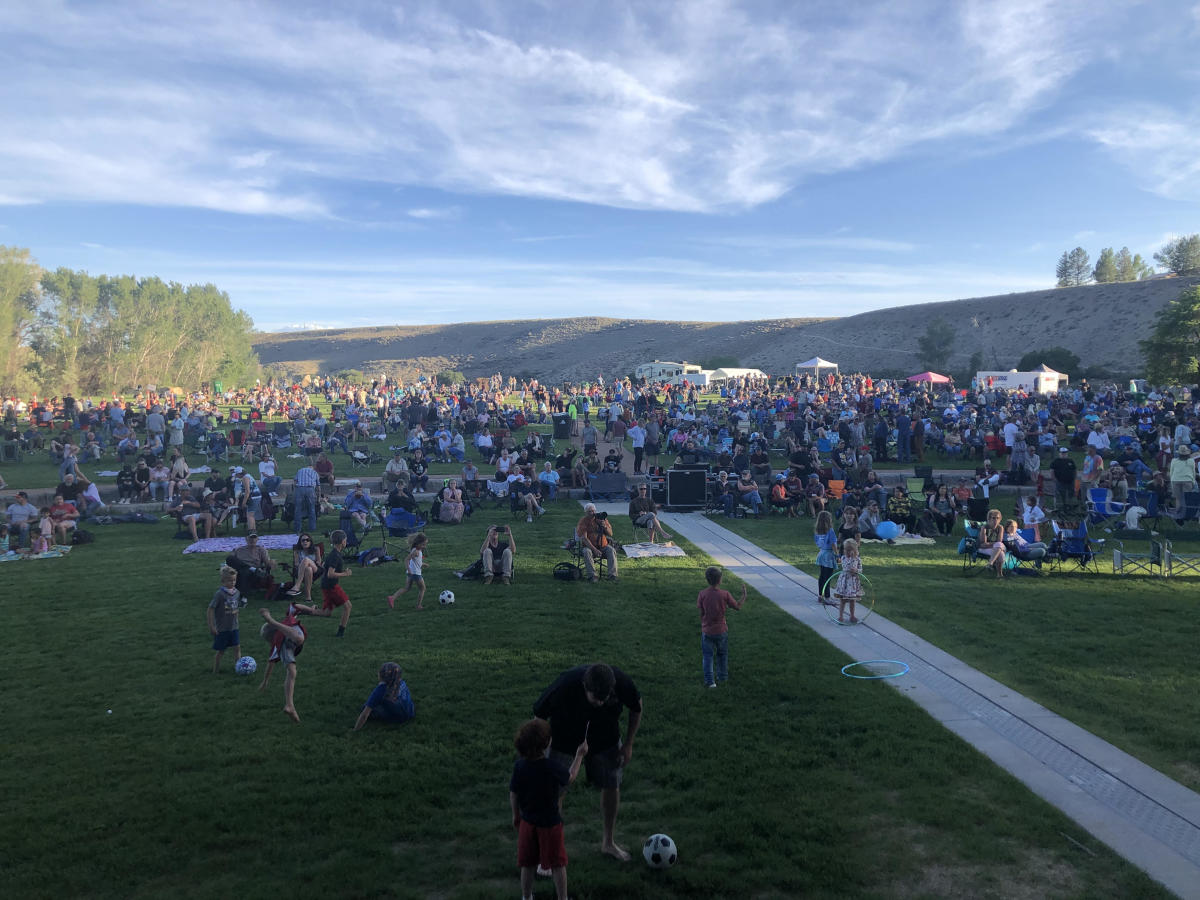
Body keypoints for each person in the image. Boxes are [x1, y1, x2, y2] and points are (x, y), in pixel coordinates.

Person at [532, 662, 642, 862]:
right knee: (554, 792)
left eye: (604, 698)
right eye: (595, 698)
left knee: (612, 784)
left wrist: (628, 744)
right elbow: (538, 715)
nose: (600, 703)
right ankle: (551, 851)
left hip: (605, 739)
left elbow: (636, 706)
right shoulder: (566, 684)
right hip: (563, 740)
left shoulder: (620, 681)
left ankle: (608, 843)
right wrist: (538, 752)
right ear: (585, 686)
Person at [509, 720, 587, 900]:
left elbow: (513, 793)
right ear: (546, 744)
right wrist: (579, 755)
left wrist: (516, 815)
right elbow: (569, 777)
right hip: (550, 825)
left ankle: (526, 897)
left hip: (527, 823)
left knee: (527, 864)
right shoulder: (550, 767)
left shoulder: (520, 766)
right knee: (558, 864)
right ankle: (563, 898)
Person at [257, 603, 312, 723]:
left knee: (291, 672)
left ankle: (289, 705)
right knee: (298, 639)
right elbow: (296, 606)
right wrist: (312, 610)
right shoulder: (288, 619)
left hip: (288, 642)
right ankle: (289, 705)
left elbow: (270, 664)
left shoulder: (276, 644)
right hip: (292, 637)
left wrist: (266, 681)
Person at [696, 566, 746, 688]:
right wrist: (744, 595)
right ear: (720, 580)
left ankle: (710, 681)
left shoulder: (702, 594)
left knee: (707, 656)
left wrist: (704, 623)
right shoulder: (725, 594)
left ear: (707, 579)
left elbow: (701, 613)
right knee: (722, 654)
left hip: (707, 631)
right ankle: (722, 677)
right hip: (721, 630)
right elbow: (737, 607)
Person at [353, 661, 415, 729]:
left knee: (365, 708)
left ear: (382, 676)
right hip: (410, 711)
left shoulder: (381, 690)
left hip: (398, 718)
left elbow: (365, 715)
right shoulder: (402, 682)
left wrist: (355, 730)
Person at [207, 565, 245, 674]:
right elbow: (210, 609)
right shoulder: (220, 594)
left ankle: (239, 669)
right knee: (221, 651)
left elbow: (236, 607)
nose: (232, 583)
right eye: (229, 581)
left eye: (234, 580)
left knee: (237, 647)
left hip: (234, 627)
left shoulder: (236, 592)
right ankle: (215, 671)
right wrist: (212, 626)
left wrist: (237, 616)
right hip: (222, 628)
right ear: (223, 581)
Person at [319, 529, 354, 635]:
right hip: (331, 586)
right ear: (343, 541)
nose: (346, 542)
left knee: (326, 613)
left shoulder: (334, 553)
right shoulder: (335, 555)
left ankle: (298, 609)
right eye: (345, 540)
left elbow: (324, 565)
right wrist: (345, 574)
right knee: (348, 606)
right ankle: (340, 633)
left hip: (327, 585)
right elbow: (330, 574)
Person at [576, 504, 617, 583]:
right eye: (590, 511)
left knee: (611, 550)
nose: (593, 513)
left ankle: (612, 575)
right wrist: (594, 550)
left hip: (603, 546)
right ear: (586, 512)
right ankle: (592, 576)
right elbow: (584, 538)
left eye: (594, 511)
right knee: (586, 552)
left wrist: (604, 526)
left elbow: (611, 534)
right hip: (589, 547)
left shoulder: (601, 518)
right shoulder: (583, 521)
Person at [388, 532, 428, 610]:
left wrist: (423, 564)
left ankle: (392, 597)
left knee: (407, 588)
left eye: (425, 544)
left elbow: (416, 562)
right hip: (415, 574)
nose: (424, 546)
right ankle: (418, 606)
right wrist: (409, 569)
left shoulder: (416, 550)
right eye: (423, 544)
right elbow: (406, 559)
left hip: (411, 573)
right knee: (422, 589)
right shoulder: (416, 551)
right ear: (417, 543)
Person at [286, 532, 324, 603]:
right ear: (300, 542)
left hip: (315, 569)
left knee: (306, 560)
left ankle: (297, 585)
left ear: (310, 541)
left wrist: (311, 563)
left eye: (307, 540)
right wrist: (304, 565)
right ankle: (308, 598)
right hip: (302, 570)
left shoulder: (316, 549)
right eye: (303, 540)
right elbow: (297, 564)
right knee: (308, 569)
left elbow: (319, 561)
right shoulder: (297, 550)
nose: (305, 541)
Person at [834, 538, 865, 624]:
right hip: (845, 582)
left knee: (852, 600)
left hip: (853, 582)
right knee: (843, 600)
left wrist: (856, 570)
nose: (847, 552)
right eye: (845, 550)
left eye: (849, 550)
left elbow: (860, 570)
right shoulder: (844, 558)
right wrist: (851, 558)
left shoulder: (857, 559)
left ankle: (852, 615)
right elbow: (846, 566)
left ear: (855, 550)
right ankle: (840, 616)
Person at [813, 510, 838, 603]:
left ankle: (820, 595)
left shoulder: (817, 531)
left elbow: (817, 542)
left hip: (821, 553)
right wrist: (837, 554)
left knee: (822, 576)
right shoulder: (830, 531)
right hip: (828, 555)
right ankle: (827, 597)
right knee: (828, 577)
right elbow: (833, 544)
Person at [979, 509, 1008, 578]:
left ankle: (990, 563)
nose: (995, 520)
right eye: (993, 518)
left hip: (995, 547)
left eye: (998, 518)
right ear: (989, 519)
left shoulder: (1000, 527)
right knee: (1000, 552)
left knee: (999, 545)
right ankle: (999, 574)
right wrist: (994, 544)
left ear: (1000, 519)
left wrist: (991, 544)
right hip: (984, 548)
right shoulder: (984, 527)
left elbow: (999, 540)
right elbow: (983, 543)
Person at [292, 462, 319, 532]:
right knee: (311, 509)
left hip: (299, 489)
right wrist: (318, 497)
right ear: (312, 467)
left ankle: (297, 529)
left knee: (298, 510)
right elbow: (318, 486)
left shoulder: (300, 470)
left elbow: (294, 482)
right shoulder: (315, 472)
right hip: (310, 490)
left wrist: (295, 492)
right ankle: (312, 528)